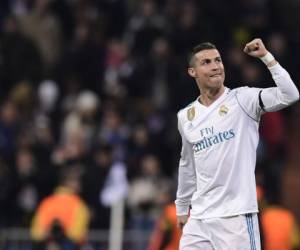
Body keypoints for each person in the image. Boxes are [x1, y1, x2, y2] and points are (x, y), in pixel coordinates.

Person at [175, 38, 299, 250]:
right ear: (192, 72)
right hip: (200, 218)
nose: (215, 66)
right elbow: (188, 164)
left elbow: (290, 94)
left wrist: (266, 57)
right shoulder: (186, 116)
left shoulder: (243, 99)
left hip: (236, 217)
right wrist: (182, 207)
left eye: (218, 60)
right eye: (206, 62)